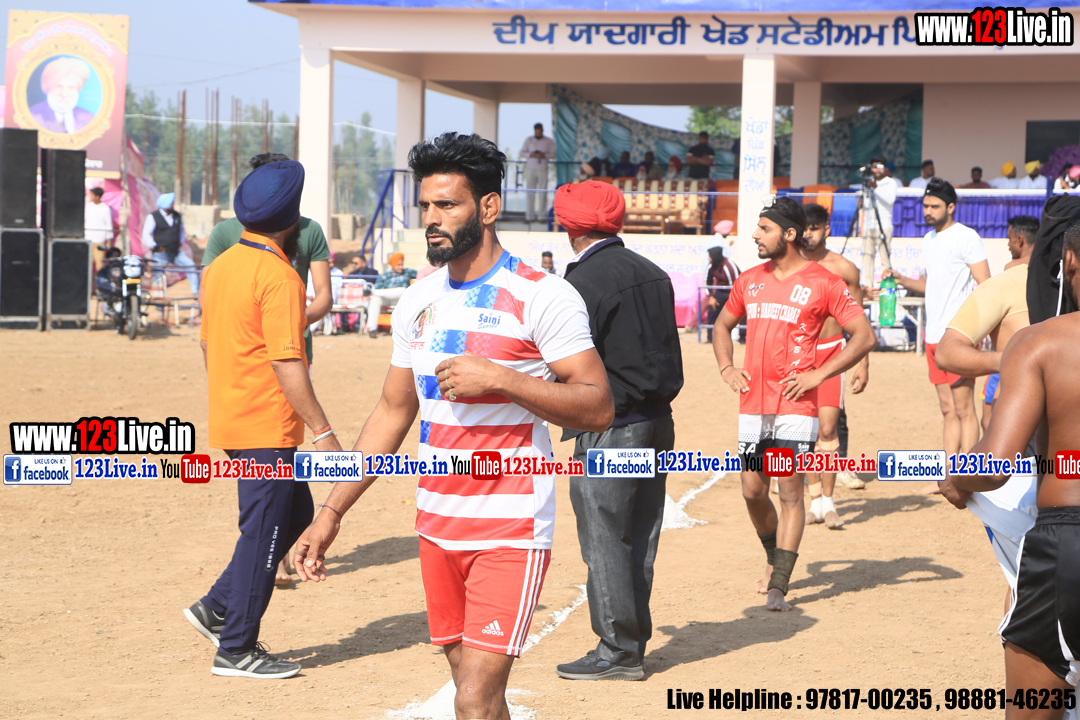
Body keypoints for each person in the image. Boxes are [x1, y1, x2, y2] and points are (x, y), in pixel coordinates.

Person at [292, 132, 613, 718]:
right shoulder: (418, 299)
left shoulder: (543, 296)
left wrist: (504, 379)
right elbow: (392, 411)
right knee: (474, 689)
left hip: (510, 526)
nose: (431, 220)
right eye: (426, 206)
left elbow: (597, 405)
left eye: (447, 205)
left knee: (472, 701)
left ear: (488, 207)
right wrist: (331, 512)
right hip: (436, 523)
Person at [185, 160, 343, 679]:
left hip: (234, 417)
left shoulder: (221, 266)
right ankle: (236, 648)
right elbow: (286, 361)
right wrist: (323, 431)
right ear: (292, 221)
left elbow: (207, 344)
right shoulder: (279, 276)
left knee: (293, 514)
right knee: (263, 532)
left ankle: (216, 607)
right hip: (265, 426)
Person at [938, 217, 1080, 713]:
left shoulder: (1041, 342)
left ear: (1069, 261)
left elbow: (995, 464)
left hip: (1067, 543)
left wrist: (957, 477)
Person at [712, 197, 875, 611]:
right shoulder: (749, 279)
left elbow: (863, 335)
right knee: (752, 491)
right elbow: (722, 325)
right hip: (753, 405)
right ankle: (774, 557)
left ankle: (779, 585)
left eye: (764, 228)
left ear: (788, 234)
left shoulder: (825, 281)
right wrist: (727, 367)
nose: (754, 235)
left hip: (795, 407)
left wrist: (820, 375)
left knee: (789, 494)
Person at [552, 181, 683, 681]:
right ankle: (630, 643)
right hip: (658, 420)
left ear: (570, 227)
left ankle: (618, 651)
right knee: (640, 535)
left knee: (605, 536)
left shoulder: (580, 281)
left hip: (612, 425)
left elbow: (564, 357)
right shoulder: (652, 271)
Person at [934, 215, 1035, 590]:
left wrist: (961, 479)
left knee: (1027, 579)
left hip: (1032, 446)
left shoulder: (1011, 283)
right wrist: (1011, 360)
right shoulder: (1009, 284)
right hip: (1025, 441)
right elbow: (949, 352)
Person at [883, 179, 990, 493]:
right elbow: (929, 285)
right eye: (925, 206)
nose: (928, 211)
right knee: (947, 410)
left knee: (964, 409)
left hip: (958, 338)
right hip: (932, 336)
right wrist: (901, 279)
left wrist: (978, 331)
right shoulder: (929, 239)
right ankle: (946, 477)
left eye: (934, 206)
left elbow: (986, 286)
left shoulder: (967, 237)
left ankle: (968, 478)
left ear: (951, 207)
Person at [202, 153, 332, 372]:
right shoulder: (223, 231)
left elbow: (325, 296)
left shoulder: (310, 230)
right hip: (236, 347)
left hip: (293, 346)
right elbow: (206, 293)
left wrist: (292, 322)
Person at [800, 203, 870, 526]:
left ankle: (828, 503)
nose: (808, 234)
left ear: (827, 230)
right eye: (804, 228)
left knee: (828, 429)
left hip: (831, 352)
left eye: (814, 228)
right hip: (799, 354)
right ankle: (814, 501)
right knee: (804, 431)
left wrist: (862, 363)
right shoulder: (791, 266)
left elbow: (859, 322)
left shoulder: (845, 269)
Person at [143, 192, 200, 296]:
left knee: (190, 266)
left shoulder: (176, 216)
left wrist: (180, 242)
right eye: (171, 203)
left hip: (175, 251)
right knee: (158, 274)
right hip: (160, 252)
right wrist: (154, 246)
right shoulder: (153, 216)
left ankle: (196, 292)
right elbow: (146, 233)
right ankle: (158, 297)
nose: (173, 205)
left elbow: (182, 230)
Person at [858, 156, 898, 287]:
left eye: (880, 167)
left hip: (884, 225)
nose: (877, 170)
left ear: (885, 169)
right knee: (867, 257)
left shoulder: (890, 182)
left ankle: (886, 286)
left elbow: (890, 200)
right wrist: (861, 204)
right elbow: (866, 206)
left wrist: (876, 187)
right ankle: (868, 287)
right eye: (875, 166)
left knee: (885, 258)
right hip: (868, 225)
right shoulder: (868, 183)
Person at [30, 57, 94, 134]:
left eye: (71, 87)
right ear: (48, 87)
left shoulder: (88, 118)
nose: (64, 94)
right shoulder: (32, 117)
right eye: (59, 86)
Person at [364, 252, 416, 338]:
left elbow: (422, 272)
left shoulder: (407, 272)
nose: (401, 267)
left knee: (403, 290)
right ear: (393, 265)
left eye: (402, 264)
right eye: (398, 265)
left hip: (400, 300)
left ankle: (372, 292)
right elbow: (378, 287)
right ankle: (372, 329)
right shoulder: (385, 275)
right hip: (387, 298)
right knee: (375, 299)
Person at [520, 123, 556, 223]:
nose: (538, 133)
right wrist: (531, 154)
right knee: (530, 192)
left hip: (543, 169)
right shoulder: (529, 140)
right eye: (536, 131)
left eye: (539, 131)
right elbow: (522, 153)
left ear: (542, 131)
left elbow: (553, 154)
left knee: (542, 192)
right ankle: (529, 216)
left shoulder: (548, 141)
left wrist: (544, 155)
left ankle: (542, 216)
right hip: (530, 169)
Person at [704, 244, 739, 343]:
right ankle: (710, 338)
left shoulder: (728, 266)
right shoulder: (710, 266)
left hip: (734, 292)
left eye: (710, 256)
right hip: (720, 291)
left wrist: (734, 299)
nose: (708, 258)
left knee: (741, 313)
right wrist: (711, 297)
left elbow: (736, 282)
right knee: (712, 310)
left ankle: (742, 337)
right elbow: (707, 282)